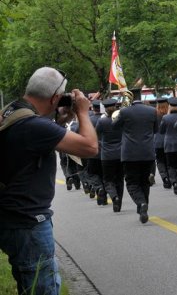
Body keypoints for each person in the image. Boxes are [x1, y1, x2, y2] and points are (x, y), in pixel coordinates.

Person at [0, 67, 98, 294]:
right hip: (29, 223)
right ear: (55, 98)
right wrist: (83, 112)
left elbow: (32, 144)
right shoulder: (34, 125)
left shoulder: (12, 111)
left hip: (12, 217)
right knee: (41, 287)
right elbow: (90, 147)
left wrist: (61, 121)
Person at [112, 96, 158, 223]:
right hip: (147, 151)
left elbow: (114, 126)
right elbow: (156, 130)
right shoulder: (152, 111)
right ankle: (143, 208)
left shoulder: (124, 111)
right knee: (145, 182)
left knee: (132, 183)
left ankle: (141, 203)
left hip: (130, 153)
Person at [96, 98, 125, 212]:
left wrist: (101, 144)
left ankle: (114, 197)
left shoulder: (102, 121)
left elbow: (96, 135)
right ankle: (119, 203)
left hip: (107, 155)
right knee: (119, 180)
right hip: (121, 153)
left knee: (108, 180)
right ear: (116, 106)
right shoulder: (121, 120)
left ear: (105, 109)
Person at [160, 97, 177, 195]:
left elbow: (161, 131)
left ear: (169, 106)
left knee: (171, 166)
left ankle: (174, 182)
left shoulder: (165, 117)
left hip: (169, 145)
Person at [154, 98, 171, 189]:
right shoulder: (170, 114)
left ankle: (165, 177)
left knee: (160, 161)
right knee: (168, 161)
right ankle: (171, 178)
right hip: (169, 141)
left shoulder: (154, 115)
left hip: (158, 141)